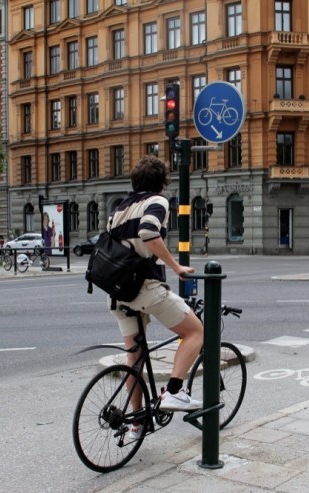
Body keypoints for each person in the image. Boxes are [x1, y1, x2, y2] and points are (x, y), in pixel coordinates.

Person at [107, 155, 204, 438]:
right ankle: (174, 392)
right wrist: (176, 267)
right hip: (145, 290)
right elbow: (149, 231)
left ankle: (137, 421)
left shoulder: (120, 208)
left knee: (134, 358)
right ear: (162, 182)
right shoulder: (157, 202)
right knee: (196, 331)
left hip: (118, 294)